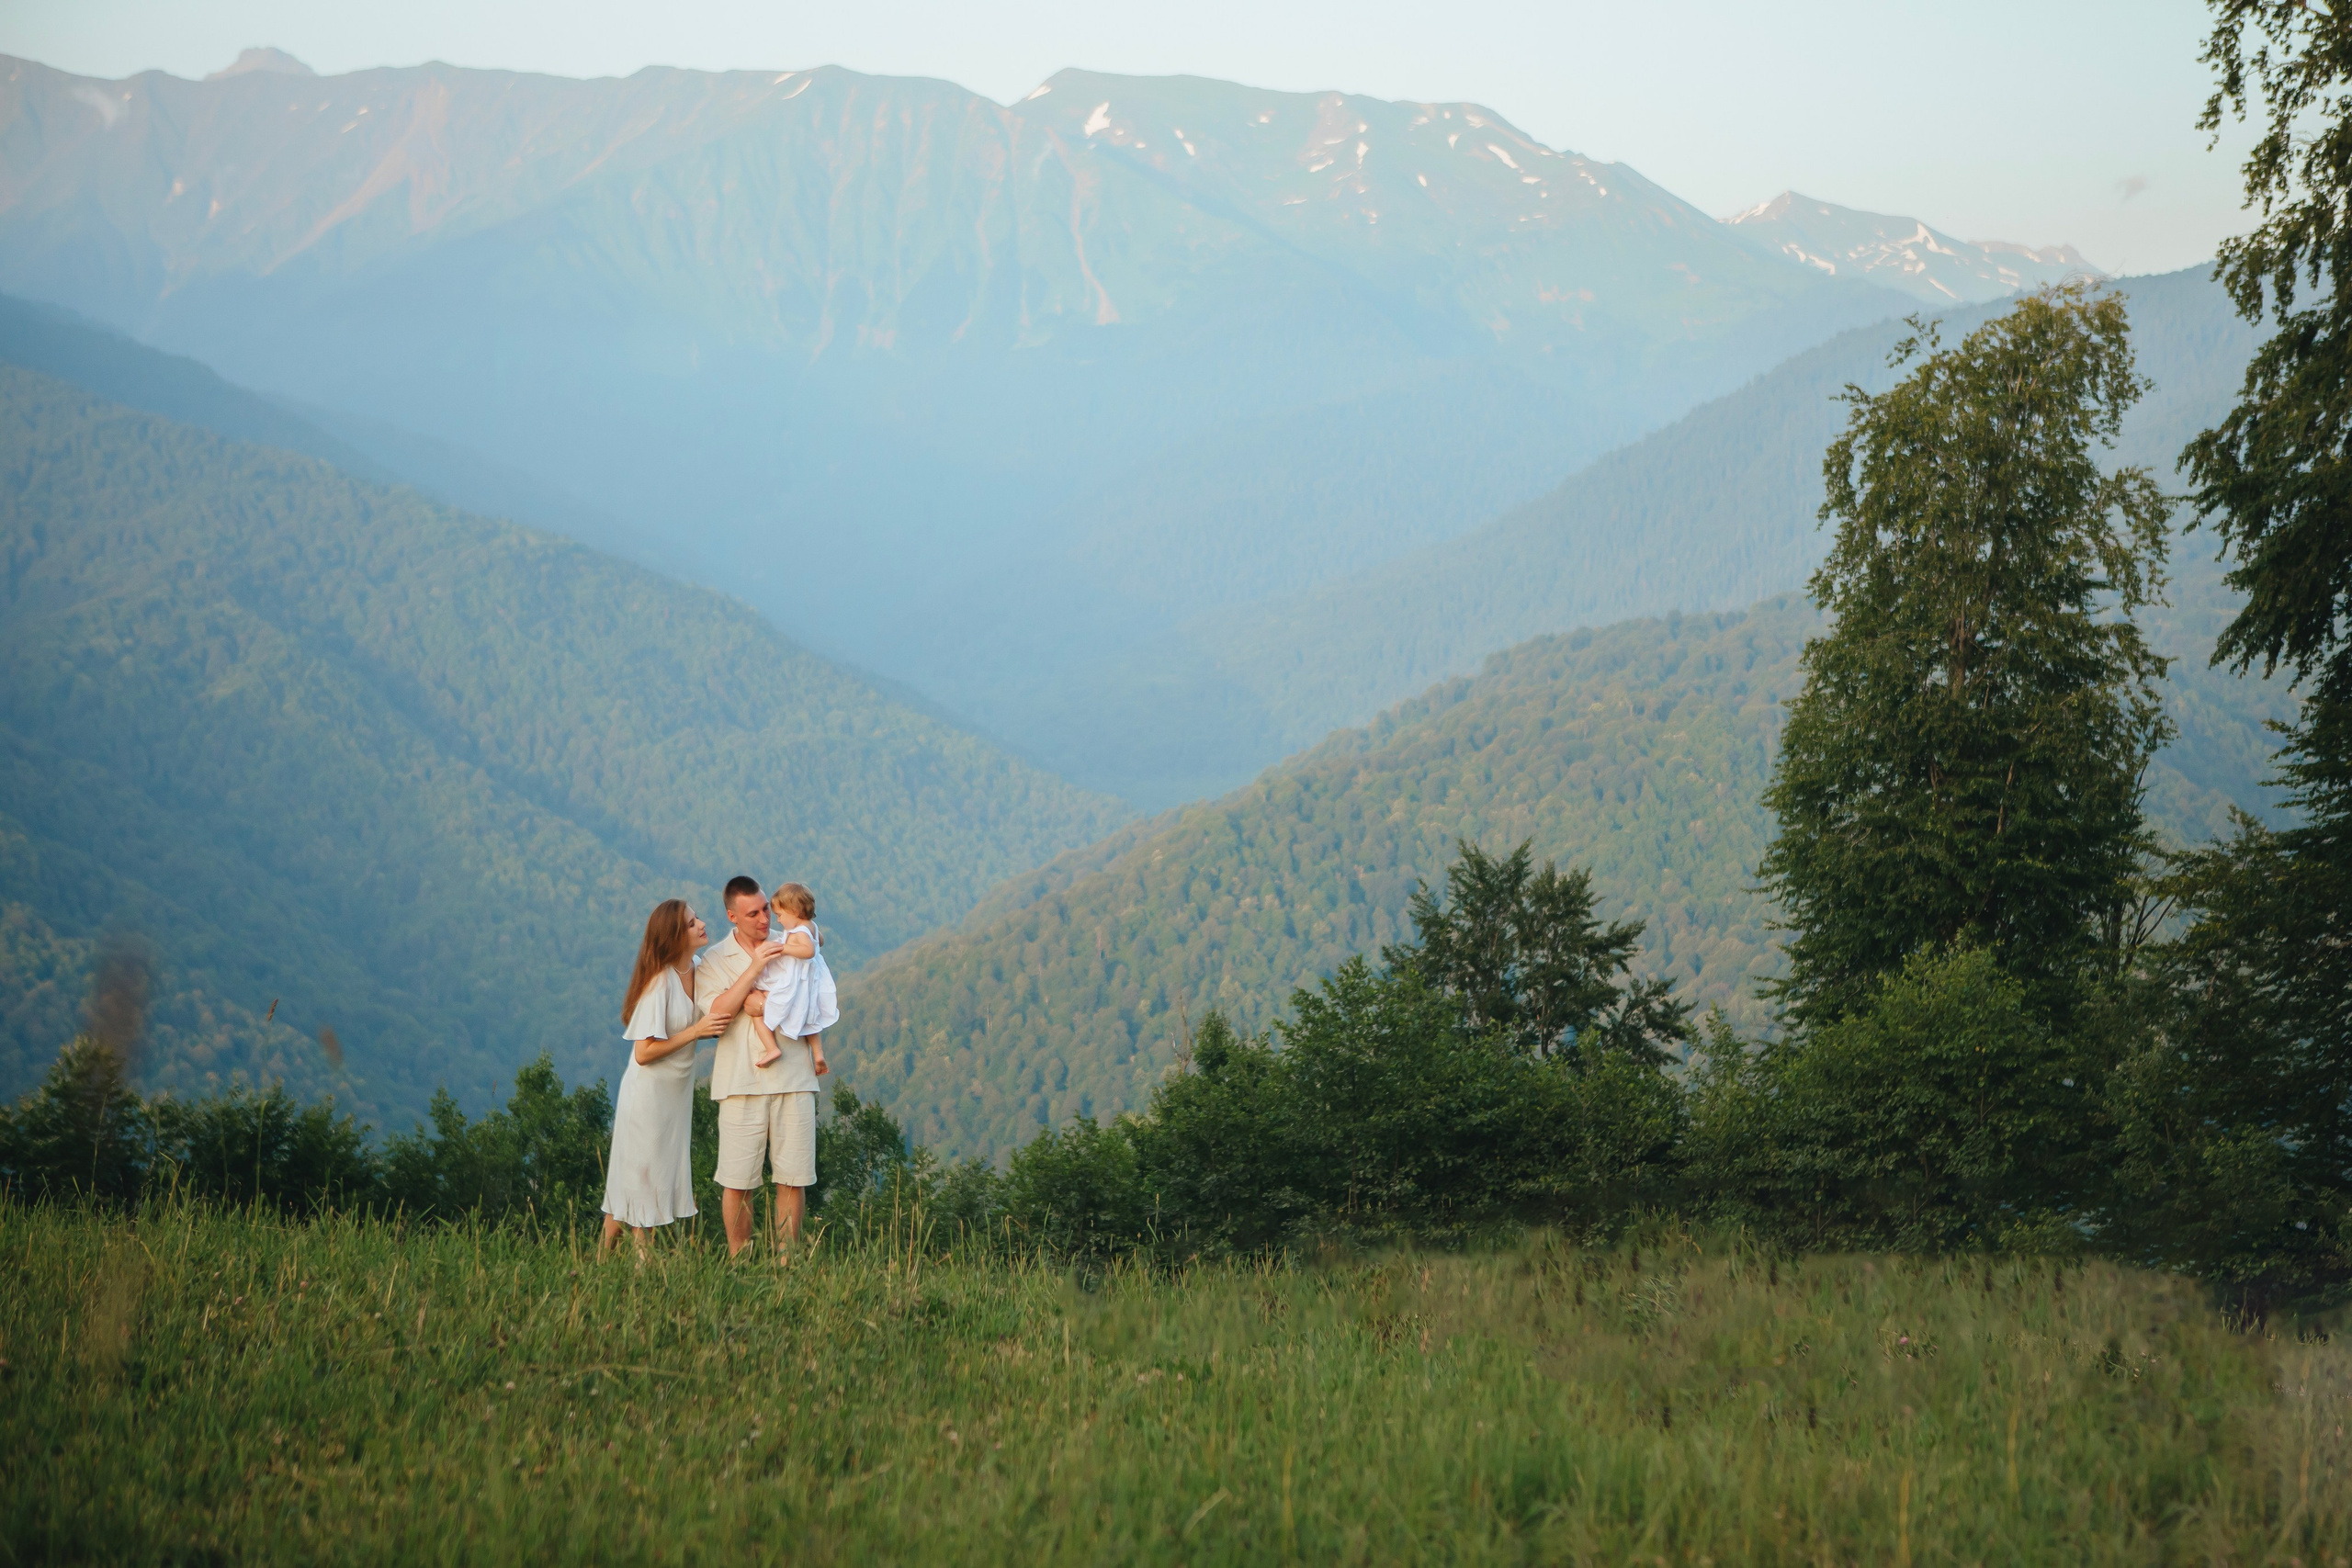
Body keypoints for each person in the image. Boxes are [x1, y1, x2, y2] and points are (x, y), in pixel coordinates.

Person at [599, 900, 730, 1258]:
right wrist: (696, 1032)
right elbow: (643, 1053)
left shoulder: (698, 969)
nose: (702, 924)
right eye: (691, 924)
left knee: (631, 1179)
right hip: (647, 1099)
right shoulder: (660, 983)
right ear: (675, 937)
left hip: (674, 1097)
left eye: (696, 918)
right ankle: (644, 1273)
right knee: (644, 1179)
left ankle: (598, 1265)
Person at [697, 875, 818, 1258]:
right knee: (737, 1181)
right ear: (733, 916)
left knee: (793, 1178)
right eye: (753, 914)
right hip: (740, 1081)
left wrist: (761, 1003)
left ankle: (787, 1262)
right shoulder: (715, 959)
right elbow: (718, 1012)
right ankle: (740, 1261)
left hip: (795, 1076)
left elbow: (815, 994)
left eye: (766, 909)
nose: (764, 919)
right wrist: (752, 976)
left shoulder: (792, 942)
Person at [749, 883, 838, 1074]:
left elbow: (809, 950)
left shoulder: (799, 931)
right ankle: (818, 1054)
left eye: (780, 915)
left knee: (756, 999)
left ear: (794, 911)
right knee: (811, 1017)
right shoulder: (811, 926)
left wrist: (784, 948)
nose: (778, 921)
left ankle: (771, 1048)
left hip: (798, 979)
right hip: (812, 979)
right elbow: (819, 941)